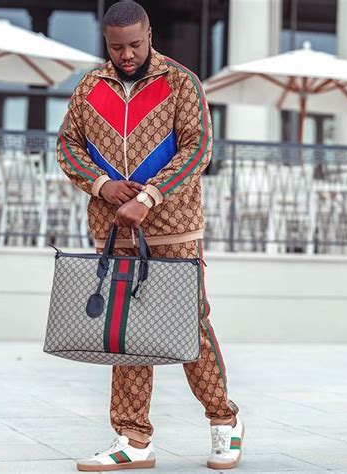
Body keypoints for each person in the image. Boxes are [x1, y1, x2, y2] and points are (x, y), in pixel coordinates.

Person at [57, 1, 243, 470]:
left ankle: (225, 422)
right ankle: (133, 439)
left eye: (135, 44)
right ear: (106, 41)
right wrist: (104, 186)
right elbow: (67, 146)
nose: (126, 54)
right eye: (117, 46)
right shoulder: (89, 87)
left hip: (175, 228)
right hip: (113, 226)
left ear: (149, 34)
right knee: (127, 333)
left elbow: (197, 147)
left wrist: (150, 197)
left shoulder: (181, 82)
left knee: (189, 324)